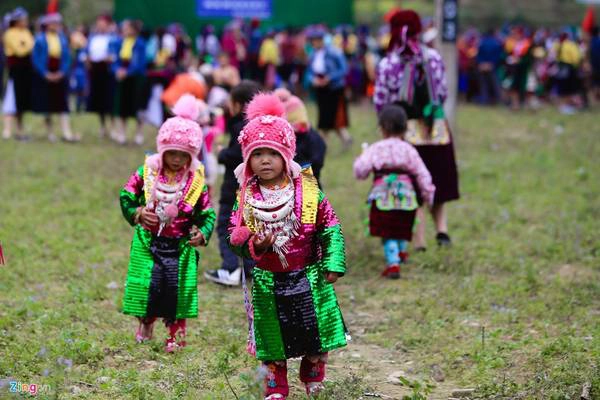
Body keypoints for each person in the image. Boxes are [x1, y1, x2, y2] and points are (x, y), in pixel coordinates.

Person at [228, 93, 347, 399]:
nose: (264, 160)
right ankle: (276, 387)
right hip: (268, 280)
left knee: (314, 331)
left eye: (272, 153)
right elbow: (235, 234)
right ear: (247, 159)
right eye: (257, 154)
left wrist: (333, 261)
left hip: (309, 275)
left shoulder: (307, 190)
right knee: (272, 339)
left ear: (286, 155)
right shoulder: (246, 195)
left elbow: (329, 225)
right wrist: (252, 242)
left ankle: (312, 372)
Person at [119, 95, 216, 353]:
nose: (175, 159)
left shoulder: (196, 182)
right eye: (171, 153)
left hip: (180, 245)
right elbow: (126, 195)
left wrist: (202, 232)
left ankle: (176, 333)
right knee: (147, 287)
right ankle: (146, 323)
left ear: (191, 155)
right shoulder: (146, 173)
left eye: (182, 155)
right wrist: (138, 212)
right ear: (162, 150)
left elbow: (207, 213)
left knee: (176, 291)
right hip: (148, 241)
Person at [373, 9, 459, 250]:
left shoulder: (389, 62)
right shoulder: (433, 57)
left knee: (410, 180)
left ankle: (418, 238)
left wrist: (385, 128)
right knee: (438, 178)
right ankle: (442, 230)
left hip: (401, 130)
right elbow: (442, 93)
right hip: (434, 127)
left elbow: (381, 101)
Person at [353, 105, 434, 278]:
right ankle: (401, 252)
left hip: (383, 196)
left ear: (381, 128)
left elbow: (361, 169)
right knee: (403, 224)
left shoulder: (376, 148)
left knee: (387, 229)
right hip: (406, 195)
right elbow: (422, 173)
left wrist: (362, 159)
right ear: (405, 128)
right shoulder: (409, 149)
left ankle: (393, 263)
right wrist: (428, 193)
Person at [204, 80, 260, 286]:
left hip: (233, 189)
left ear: (239, 105)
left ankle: (230, 268)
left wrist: (222, 153)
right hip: (255, 191)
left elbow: (236, 156)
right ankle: (249, 267)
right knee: (249, 228)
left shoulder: (240, 128)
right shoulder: (260, 127)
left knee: (226, 227)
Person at [31, 12, 78, 142]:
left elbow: (67, 58)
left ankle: (66, 131)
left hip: (59, 75)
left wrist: (62, 72)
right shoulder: (40, 39)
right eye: (53, 23)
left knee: (62, 104)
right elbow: (36, 59)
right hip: (46, 75)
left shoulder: (62, 39)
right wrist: (45, 73)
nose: (56, 26)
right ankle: (50, 132)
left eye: (57, 23)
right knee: (48, 105)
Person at [306, 27, 353, 149]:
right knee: (325, 117)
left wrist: (330, 78)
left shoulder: (334, 52)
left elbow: (344, 69)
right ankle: (338, 140)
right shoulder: (313, 54)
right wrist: (313, 80)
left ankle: (324, 145)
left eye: (317, 40)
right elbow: (309, 71)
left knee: (333, 117)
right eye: (313, 40)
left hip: (334, 89)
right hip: (321, 89)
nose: (315, 42)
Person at [274, 88, 327, 183]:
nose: (299, 125)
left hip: (308, 185)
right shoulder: (281, 140)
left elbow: (317, 161)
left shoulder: (311, 137)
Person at [112, 19, 146, 145]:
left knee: (137, 107)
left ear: (134, 29)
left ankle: (139, 133)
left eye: (127, 28)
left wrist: (128, 72)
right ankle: (122, 133)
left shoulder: (140, 44)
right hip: (123, 80)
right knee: (123, 107)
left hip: (136, 80)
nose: (125, 30)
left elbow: (139, 63)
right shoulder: (120, 42)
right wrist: (117, 70)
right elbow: (115, 60)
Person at [2, 7, 34, 141]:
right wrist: (26, 46)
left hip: (25, 71)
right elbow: (20, 51)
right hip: (15, 71)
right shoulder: (9, 33)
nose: (26, 21)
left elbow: (31, 45)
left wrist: (25, 45)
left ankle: (19, 129)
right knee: (11, 99)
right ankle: (7, 129)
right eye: (23, 19)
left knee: (21, 101)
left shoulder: (26, 32)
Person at [86, 14, 116, 137]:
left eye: (103, 25)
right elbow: (86, 52)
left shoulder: (113, 39)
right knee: (99, 100)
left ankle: (113, 126)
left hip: (108, 72)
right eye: (99, 25)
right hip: (95, 71)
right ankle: (103, 126)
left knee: (110, 99)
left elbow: (115, 54)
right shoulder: (93, 38)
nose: (101, 27)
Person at [550, 32, 583, 115]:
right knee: (569, 88)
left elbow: (551, 55)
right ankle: (567, 106)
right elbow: (577, 58)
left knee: (561, 87)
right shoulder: (571, 45)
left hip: (559, 67)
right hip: (569, 67)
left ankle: (563, 106)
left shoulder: (556, 44)